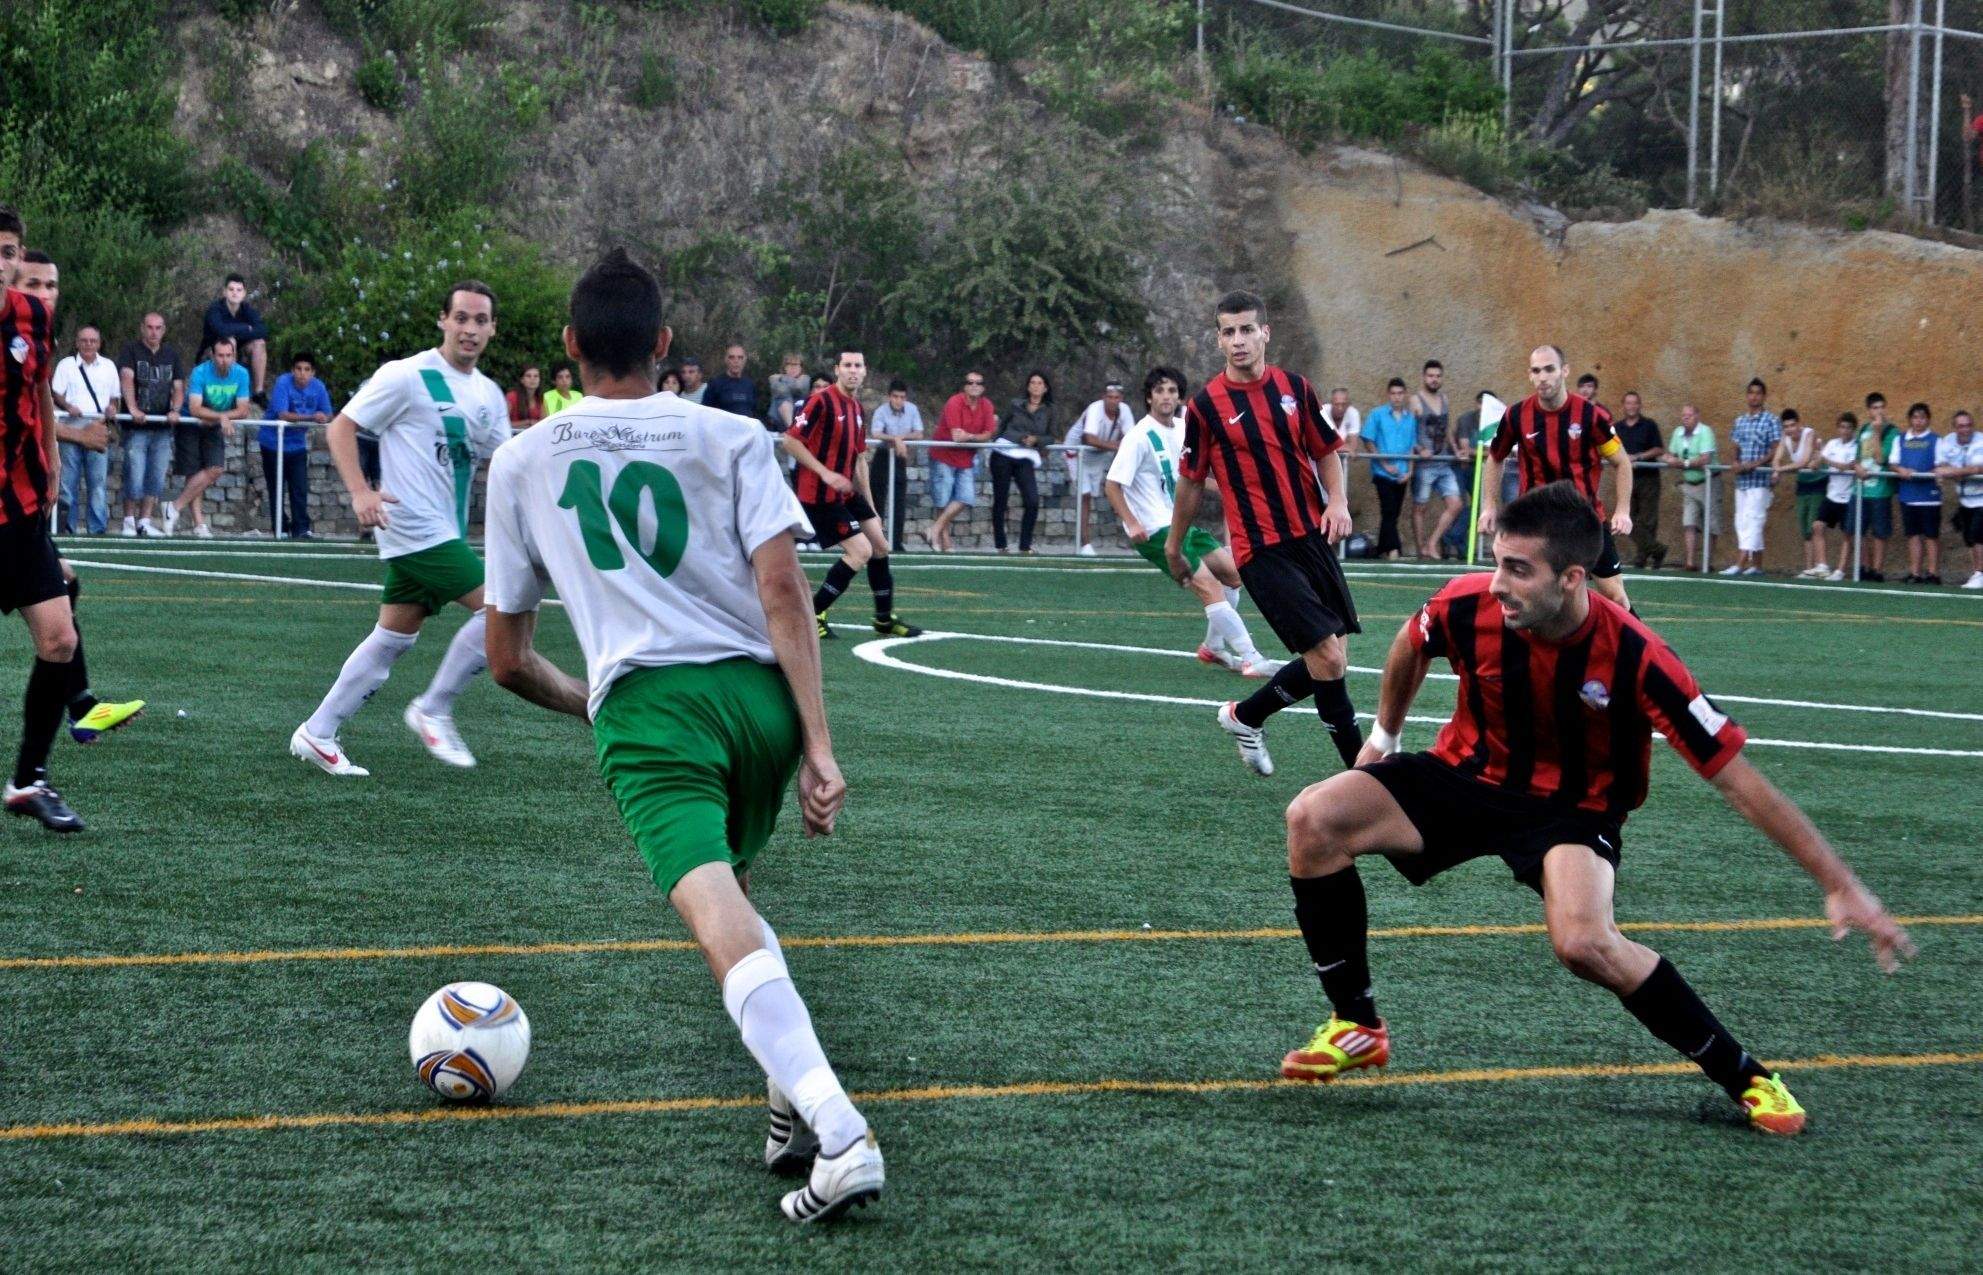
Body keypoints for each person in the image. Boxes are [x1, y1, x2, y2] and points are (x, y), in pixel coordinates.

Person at [1277, 481, 1914, 1133]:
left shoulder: (1638, 656)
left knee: (1583, 942)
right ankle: (1356, 1022)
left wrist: (1840, 884)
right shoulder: (1468, 603)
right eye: (1497, 561)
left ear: (1573, 577)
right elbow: (1413, 640)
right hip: (1465, 776)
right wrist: (1384, 735)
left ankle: (1746, 1073)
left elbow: (1739, 782)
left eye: (1517, 569)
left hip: (1572, 810)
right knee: (1313, 818)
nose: (1497, 582)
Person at [483, 248, 883, 1224]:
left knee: (716, 922)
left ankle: (842, 1133)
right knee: (739, 899)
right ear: (664, 346)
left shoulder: (524, 458)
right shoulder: (733, 435)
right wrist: (819, 746)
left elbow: (506, 657)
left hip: (652, 711)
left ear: (571, 346)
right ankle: (787, 1104)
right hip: (760, 705)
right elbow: (785, 593)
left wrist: (596, 704)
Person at [290, 281, 512, 776]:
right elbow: (340, 427)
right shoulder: (408, 375)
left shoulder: (488, 395)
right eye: (461, 318)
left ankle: (318, 732)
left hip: (443, 531)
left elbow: (507, 460)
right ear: (443, 320)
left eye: (480, 320)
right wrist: (360, 492)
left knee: (394, 638)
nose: (470, 329)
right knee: (503, 606)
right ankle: (434, 708)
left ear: (492, 328)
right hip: (410, 523)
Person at [1168, 290, 1362, 779]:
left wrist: (1337, 501)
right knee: (1327, 657)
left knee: (1334, 656)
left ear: (1265, 333)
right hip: (1260, 549)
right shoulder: (1206, 406)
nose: (1238, 340)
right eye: (1228, 332)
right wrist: (1174, 544)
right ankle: (1365, 779)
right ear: (1218, 340)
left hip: (1310, 538)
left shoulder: (1295, 388)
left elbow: (1325, 450)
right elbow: (1191, 480)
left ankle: (1246, 716)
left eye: (1247, 329)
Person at [1, 216, 141, 833]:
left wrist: (54, 464)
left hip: (21, 509)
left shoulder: (31, 318)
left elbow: (34, 395)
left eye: (8, 252)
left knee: (58, 637)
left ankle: (29, 779)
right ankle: (81, 708)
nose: (1, 262)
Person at [1107, 366, 1274, 678]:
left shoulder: (1184, 428)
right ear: (1149, 397)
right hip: (1156, 531)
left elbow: (1193, 477)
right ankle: (1251, 657)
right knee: (1210, 587)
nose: (1166, 396)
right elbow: (1112, 485)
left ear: (1180, 396)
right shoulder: (1139, 436)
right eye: (1159, 391)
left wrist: (1230, 488)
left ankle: (1213, 647)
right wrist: (1131, 523)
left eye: (1172, 391)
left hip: (1180, 525)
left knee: (1234, 577)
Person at [1480, 344, 1636, 611]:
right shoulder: (1517, 416)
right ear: (1530, 375)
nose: (1543, 377)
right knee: (1525, 594)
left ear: (1564, 371)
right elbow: (1494, 458)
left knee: (1615, 597)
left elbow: (1622, 462)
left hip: (1585, 521)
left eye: (1549, 369)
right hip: (1536, 523)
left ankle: (1640, 651)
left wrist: (1623, 511)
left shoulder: (1590, 415)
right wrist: (1489, 506)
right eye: (1536, 371)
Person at [781, 348, 922, 640]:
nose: (853, 370)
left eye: (858, 365)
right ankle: (814, 613)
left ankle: (883, 619)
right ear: (837, 370)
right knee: (861, 551)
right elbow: (790, 442)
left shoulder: (857, 409)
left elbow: (859, 461)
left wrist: (871, 507)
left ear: (865, 371)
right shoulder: (820, 401)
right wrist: (825, 473)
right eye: (847, 365)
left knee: (881, 546)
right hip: (819, 495)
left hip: (845, 494)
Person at [167, 335, 253, 539]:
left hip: (213, 424)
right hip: (191, 423)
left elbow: (243, 410)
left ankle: (173, 507)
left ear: (234, 356)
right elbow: (195, 408)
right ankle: (199, 524)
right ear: (213, 356)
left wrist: (220, 417)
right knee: (194, 472)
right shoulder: (200, 372)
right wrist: (222, 416)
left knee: (215, 468)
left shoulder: (241, 374)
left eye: (228, 356)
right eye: (220, 355)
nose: (224, 360)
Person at [115, 312, 183, 536]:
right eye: (150, 327)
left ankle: (144, 521)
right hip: (137, 427)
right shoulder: (130, 350)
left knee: (156, 474)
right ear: (142, 328)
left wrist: (175, 409)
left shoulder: (171, 354)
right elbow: (126, 378)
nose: (154, 332)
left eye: (158, 328)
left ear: (164, 330)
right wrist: (133, 408)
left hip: (161, 427)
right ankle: (128, 521)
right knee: (133, 473)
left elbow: (179, 386)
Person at [49, 324, 120, 535]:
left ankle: (97, 528)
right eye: (84, 340)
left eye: (93, 341)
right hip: (71, 427)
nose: (88, 344)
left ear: (99, 343)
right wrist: (68, 406)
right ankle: (67, 528)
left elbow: (114, 396)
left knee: (97, 482)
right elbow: (56, 394)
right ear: (77, 343)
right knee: (68, 481)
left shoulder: (108, 366)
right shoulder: (66, 365)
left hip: (98, 426)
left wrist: (113, 407)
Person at [927, 370, 995, 552]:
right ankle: (945, 543)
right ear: (964, 386)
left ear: (983, 387)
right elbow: (957, 436)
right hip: (944, 455)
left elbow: (988, 434)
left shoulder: (986, 405)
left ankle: (934, 529)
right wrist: (976, 437)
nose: (974, 386)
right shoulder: (954, 402)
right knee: (943, 499)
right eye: (970, 382)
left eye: (978, 383)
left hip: (966, 457)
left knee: (966, 497)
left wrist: (970, 436)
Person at [266, 352, 330, 538]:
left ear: (313, 372)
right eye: (299, 369)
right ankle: (281, 528)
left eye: (307, 370)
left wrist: (323, 417)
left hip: (297, 445)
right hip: (272, 443)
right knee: (276, 488)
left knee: (299, 487)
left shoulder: (318, 387)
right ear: (292, 370)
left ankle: (301, 528)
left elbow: (328, 413)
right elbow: (283, 414)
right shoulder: (283, 383)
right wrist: (312, 417)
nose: (302, 374)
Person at [1722, 378, 1781, 577]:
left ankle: (1740, 562)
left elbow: (1775, 450)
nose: (1754, 396)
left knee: (1755, 520)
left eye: (1758, 393)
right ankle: (1756, 565)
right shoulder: (1740, 421)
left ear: (1763, 396)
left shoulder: (1771, 420)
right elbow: (1736, 447)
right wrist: (1736, 463)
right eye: (1751, 393)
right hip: (1743, 481)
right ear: (1747, 396)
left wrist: (1755, 465)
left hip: (1760, 480)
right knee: (1742, 521)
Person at [1067, 380, 1132, 556]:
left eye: (1116, 397)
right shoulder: (1095, 409)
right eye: (1109, 397)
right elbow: (1090, 439)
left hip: (1099, 455)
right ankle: (1084, 544)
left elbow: (1130, 439)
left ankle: (1133, 536)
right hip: (1077, 453)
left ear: (1121, 398)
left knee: (1101, 493)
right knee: (1085, 495)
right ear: (1104, 397)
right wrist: (1117, 446)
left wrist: (1120, 448)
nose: (1113, 401)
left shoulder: (1125, 411)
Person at [991, 371, 1051, 555]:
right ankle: (1001, 545)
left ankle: (1025, 545)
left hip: (1025, 457)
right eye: (1032, 382)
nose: (1035, 386)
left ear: (1045, 388)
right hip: (1004, 453)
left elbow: (1051, 436)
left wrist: (1037, 441)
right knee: (1001, 499)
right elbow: (1002, 428)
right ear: (1027, 386)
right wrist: (1020, 437)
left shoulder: (1049, 410)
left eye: (1039, 383)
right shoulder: (1015, 405)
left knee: (1032, 500)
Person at [1409, 360, 1462, 559]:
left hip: (1444, 461)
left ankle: (1431, 543)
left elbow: (1446, 428)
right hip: (1425, 464)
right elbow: (1409, 430)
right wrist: (1418, 448)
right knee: (1420, 507)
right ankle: (1421, 549)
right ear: (1424, 377)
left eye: (1438, 376)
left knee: (1455, 504)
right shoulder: (1415, 400)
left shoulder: (1444, 399)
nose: (1434, 379)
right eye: (1431, 376)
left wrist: (1455, 449)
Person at [1888, 402, 1943, 585]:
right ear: (1910, 419)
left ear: (1928, 419)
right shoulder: (1901, 439)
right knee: (1912, 535)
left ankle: (1933, 573)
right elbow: (1893, 462)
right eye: (1915, 417)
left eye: (1922, 417)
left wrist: (1933, 471)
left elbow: (1941, 464)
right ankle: (1915, 573)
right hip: (1908, 495)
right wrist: (1901, 470)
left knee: (1931, 535)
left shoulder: (1936, 440)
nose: (1919, 421)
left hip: (1929, 496)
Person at [1361, 378, 1415, 560]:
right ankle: (1394, 549)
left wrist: (1410, 471)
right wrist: (1384, 464)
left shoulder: (1410, 419)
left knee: (1393, 513)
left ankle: (1380, 549)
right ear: (1388, 395)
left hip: (1402, 472)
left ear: (1405, 394)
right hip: (1382, 473)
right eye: (1393, 393)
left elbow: (1411, 447)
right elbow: (1368, 439)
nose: (1397, 397)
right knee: (1389, 510)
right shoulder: (1377, 414)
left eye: (1400, 393)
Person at [867, 378, 923, 548]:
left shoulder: (912, 409)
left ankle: (897, 542)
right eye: (895, 396)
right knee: (877, 498)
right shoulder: (881, 411)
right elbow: (876, 433)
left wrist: (900, 439)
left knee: (899, 499)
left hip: (899, 457)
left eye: (902, 397)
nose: (898, 400)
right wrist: (895, 439)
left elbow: (919, 433)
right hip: (883, 455)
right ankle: (875, 540)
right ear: (889, 396)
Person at [1770, 409, 1826, 578]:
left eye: (1793, 425)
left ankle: (1819, 566)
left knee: (1813, 524)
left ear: (1799, 424)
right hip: (1803, 483)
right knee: (1804, 525)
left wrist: (1779, 469)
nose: (1790, 429)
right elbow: (1776, 458)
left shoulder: (1809, 434)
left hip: (1818, 482)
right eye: (1786, 426)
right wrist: (1776, 469)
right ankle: (1809, 568)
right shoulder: (1785, 438)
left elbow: (1803, 461)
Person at [1615, 390, 1667, 568]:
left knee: (1648, 520)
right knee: (1627, 517)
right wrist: (1623, 460)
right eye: (1628, 403)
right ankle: (1657, 550)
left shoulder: (1649, 425)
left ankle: (1642, 558)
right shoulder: (1617, 428)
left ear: (1639, 405)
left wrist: (1637, 457)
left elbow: (1659, 449)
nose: (1631, 406)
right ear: (1623, 406)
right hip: (1626, 478)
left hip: (1648, 478)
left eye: (1634, 403)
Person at [1933, 409, 1983, 588]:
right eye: (1961, 426)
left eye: (1969, 425)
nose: (1966, 429)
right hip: (1964, 499)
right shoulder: (1947, 442)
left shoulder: (1981, 441)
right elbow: (1941, 465)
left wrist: (1954, 471)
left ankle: (1979, 574)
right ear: (1955, 428)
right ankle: (1977, 572)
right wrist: (1954, 470)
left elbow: (1978, 469)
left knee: (1978, 536)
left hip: (1981, 499)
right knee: (1970, 538)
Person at [200, 273, 269, 402]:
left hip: (240, 353)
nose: (235, 293)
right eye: (231, 289)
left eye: (239, 290)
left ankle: (258, 393)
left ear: (244, 293)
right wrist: (245, 328)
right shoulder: (215, 309)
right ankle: (231, 390)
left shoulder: (246, 309)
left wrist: (237, 331)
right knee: (229, 341)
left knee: (259, 343)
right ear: (224, 292)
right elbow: (220, 330)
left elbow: (262, 330)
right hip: (212, 352)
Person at [1855, 393, 1900, 581]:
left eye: (1881, 407)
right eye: (1874, 407)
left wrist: (1877, 433)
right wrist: (1857, 468)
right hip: (1861, 488)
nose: (1879, 411)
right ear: (1868, 410)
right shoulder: (1863, 428)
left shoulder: (1892, 431)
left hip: (1881, 490)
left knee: (1880, 532)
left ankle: (1877, 570)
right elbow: (1856, 457)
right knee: (1860, 530)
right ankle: (1864, 566)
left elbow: (1882, 459)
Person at [1667, 404, 1717, 571]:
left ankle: (1707, 562)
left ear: (1697, 416)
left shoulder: (1705, 432)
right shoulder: (1678, 433)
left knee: (1711, 523)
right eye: (1684, 415)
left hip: (1709, 482)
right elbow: (1671, 455)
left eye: (1690, 415)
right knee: (1689, 522)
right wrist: (1668, 459)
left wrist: (1682, 463)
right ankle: (1690, 562)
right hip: (1689, 482)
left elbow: (1705, 459)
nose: (1686, 418)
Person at [1813, 412, 1862, 581]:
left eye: (1848, 427)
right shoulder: (1832, 444)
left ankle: (1840, 571)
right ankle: (1822, 565)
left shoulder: (1856, 446)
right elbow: (1818, 461)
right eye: (1842, 427)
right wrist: (1816, 459)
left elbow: (1847, 467)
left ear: (1853, 429)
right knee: (1818, 526)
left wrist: (1827, 461)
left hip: (1848, 497)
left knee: (1847, 535)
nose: (1845, 430)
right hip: (1831, 495)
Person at [703, 343, 758, 420]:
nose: (736, 361)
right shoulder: (715, 384)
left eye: (740, 357)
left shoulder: (750, 384)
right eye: (732, 357)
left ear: (745, 360)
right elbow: (706, 413)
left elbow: (754, 411)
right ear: (726, 360)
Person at [767, 352, 809, 430]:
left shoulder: (806, 379)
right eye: (789, 364)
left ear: (801, 367)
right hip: (777, 424)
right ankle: (792, 429)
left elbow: (799, 387)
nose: (792, 367)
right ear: (784, 367)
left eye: (795, 364)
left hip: (802, 421)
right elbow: (781, 391)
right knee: (782, 397)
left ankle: (793, 430)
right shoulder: (775, 380)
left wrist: (782, 378)